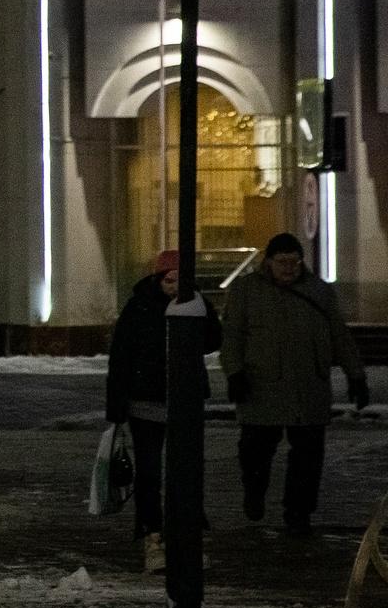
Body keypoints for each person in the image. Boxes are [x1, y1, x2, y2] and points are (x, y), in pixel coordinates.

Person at [220, 232, 368, 535]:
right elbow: (232, 336)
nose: (289, 268)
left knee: (308, 457)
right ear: (269, 262)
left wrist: (356, 374)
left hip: (308, 386)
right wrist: (234, 372)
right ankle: (254, 491)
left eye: (294, 261)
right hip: (262, 385)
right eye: (282, 261)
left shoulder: (319, 291)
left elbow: (338, 334)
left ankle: (298, 512)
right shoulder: (246, 291)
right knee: (255, 451)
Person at [106, 248, 222, 573]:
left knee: (186, 472)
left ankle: (187, 537)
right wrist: (116, 407)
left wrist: (200, 306)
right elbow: (121, 358)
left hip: (184, 404)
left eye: (180, 280)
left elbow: (213, 340)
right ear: (159, 279)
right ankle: (152, 536)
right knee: (149, 475)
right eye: (169, 279)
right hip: (145, 405)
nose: (174, 286)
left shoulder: (193, 305)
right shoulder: (139, 308)